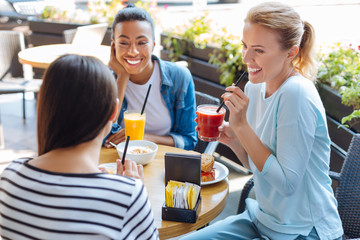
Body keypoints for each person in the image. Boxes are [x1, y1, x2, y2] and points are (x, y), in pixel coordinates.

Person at [183, 2, 343, 240]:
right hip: (262, 219)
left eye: (258, 50)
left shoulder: (296, 94)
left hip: (303, 230)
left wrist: (242, 127)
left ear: (291, 52)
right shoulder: (255, 88)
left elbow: (287, 185)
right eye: (244, 46)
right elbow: (257, 167)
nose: (246, 57)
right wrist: (235, 140)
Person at [0, 54, 159, 240]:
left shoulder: (10, 177)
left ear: (45, 106)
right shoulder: (127, 195)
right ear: (114, 111)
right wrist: (128, 188)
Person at [103, 4, 197, 151]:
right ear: (113, 47)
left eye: (141, 43)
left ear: (153, 45)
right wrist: (122, 78)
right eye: (123, 43)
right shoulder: (103, 78)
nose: (133, 51)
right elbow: (100, 137)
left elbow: (189, 140)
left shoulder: (179, 77)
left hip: (164, 165)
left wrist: (144, 138)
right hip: (117, 164)